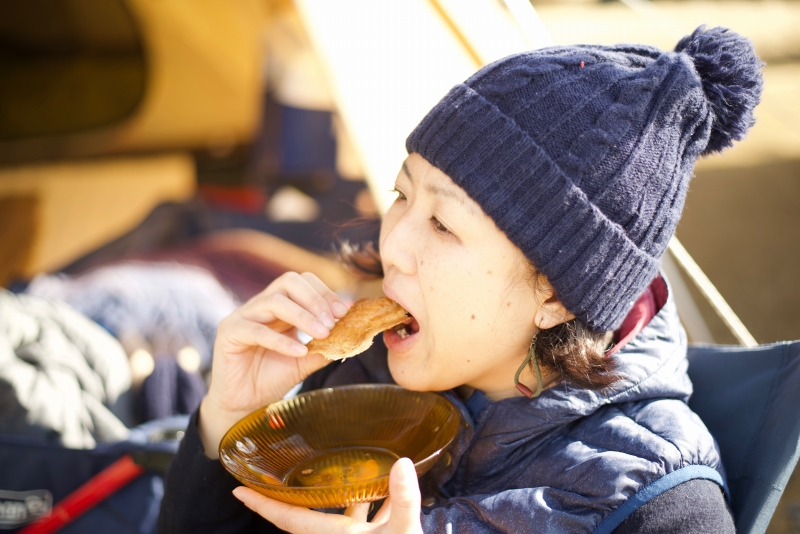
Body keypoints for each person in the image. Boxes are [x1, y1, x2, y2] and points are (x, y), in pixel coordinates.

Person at [158, 26, 762, 533]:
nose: (391, 245)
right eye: (401, 194)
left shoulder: (658, 505)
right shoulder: (353, 388)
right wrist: (229, 425)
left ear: (555, 293)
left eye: (443, 224)